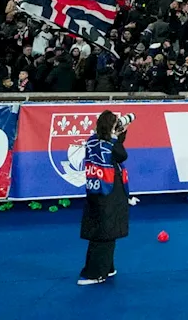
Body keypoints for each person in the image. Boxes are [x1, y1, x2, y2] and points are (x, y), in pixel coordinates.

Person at [79, 110, 131, 285]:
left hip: (94, 190)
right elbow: (121, 155)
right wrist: (116, 137)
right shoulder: (110, 143)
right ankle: (97, 273)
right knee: (107, 231)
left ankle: (107, 267)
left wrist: (117, 135)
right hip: (110, 191)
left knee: (100, 230)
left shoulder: (91, 140)